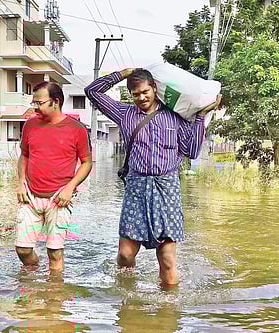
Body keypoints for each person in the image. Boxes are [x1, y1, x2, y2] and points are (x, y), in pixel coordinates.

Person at [84, 68, 221, 286]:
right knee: (126, 255)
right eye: (136, 94)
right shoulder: (124, 114)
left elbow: (192, 151)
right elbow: (92, 91)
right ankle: (127, 299)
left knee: (166, 260)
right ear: (130, 94)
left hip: (167, 189)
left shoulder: (175, 116)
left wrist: (201, 116)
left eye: (145, 91)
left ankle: (168, 311)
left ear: (154, 88)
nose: (141, 97)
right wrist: (122, 73)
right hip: (136, 188)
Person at [15, 81, 92, 272]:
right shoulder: (30, 126)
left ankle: (54, 298)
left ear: (55, 102)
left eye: (39, 103)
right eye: (34, 103)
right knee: (23, 250)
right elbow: (24, 155)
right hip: (30, 197)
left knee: (55, 253)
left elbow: (87, 163)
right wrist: (20, 183)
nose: (35, 108)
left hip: (59, 198)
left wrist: (70, 187)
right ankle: (33, 280)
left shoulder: (77, 129)